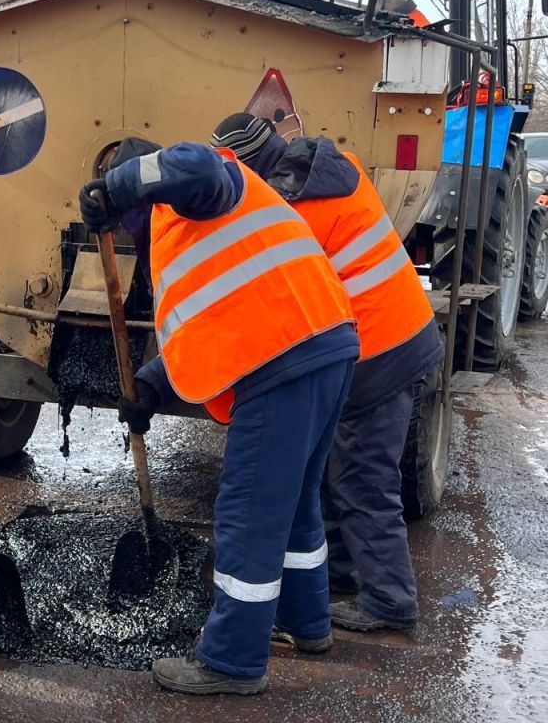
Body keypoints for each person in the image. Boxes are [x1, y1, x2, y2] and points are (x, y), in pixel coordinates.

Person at [80, 139, 359, 695]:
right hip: (322, 345)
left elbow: (198, 162)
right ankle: (307, 623)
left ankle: (232, 659)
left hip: (282, 360)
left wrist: (116, 184)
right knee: (295, 501)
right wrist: (151, 388)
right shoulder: (186, 229)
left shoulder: (196, 192)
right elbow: (210, 318)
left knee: (249, 511)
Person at [211, 113, 443, 633]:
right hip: (398, 332)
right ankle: (340, 572)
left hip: (379, 351)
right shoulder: (340, 168)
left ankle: (389, 600)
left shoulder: (288, 215)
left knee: (364, 478)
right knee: (335, 469)